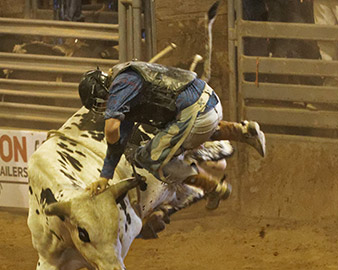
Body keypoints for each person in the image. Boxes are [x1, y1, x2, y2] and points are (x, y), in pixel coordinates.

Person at [79, 62, 266, 209]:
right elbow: (121, 138)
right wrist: (105, 176)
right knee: (183, 134)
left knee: (149, 158)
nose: (104, 107)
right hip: (208, 103)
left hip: (196, 114)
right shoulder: (128, 79)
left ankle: (213, 188)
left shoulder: (120, 85)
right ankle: (243, 131)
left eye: (101, 103)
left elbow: (112, 130)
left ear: (103, 89)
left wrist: (111, 137)